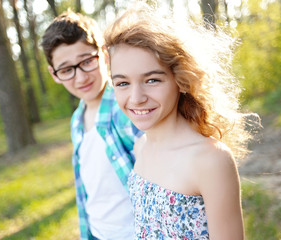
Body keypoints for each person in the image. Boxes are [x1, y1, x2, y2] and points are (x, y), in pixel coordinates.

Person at [105, 6, 255, 240]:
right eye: (122, 83)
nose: (136, 98)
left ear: (181, 80)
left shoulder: (211, 160)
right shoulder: (140, 147)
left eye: (152, 80)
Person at [41, 10, 142, 240]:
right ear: (54, 74)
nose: (80, 78)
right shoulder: (77, 120)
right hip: (97, 233)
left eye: (87, 61)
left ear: (104, 54)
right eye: (67, 70)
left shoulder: (128, 107)